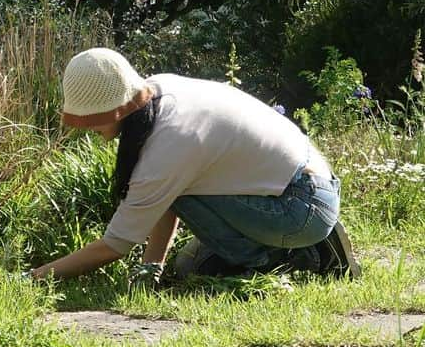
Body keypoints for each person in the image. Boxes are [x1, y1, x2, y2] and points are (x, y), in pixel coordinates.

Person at [30, 47, 361, 285]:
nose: (91, 130)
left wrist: (35, 277)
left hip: (300, 205)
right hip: (302, 185)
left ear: (115, 111)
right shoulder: (158, 92)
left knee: (229, 263)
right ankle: (285, 245)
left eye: (93, 121)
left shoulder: (170, 141)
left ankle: (296, 254)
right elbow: (167, 198)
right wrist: (151, 270)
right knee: (192, 268)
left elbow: (116, 244)